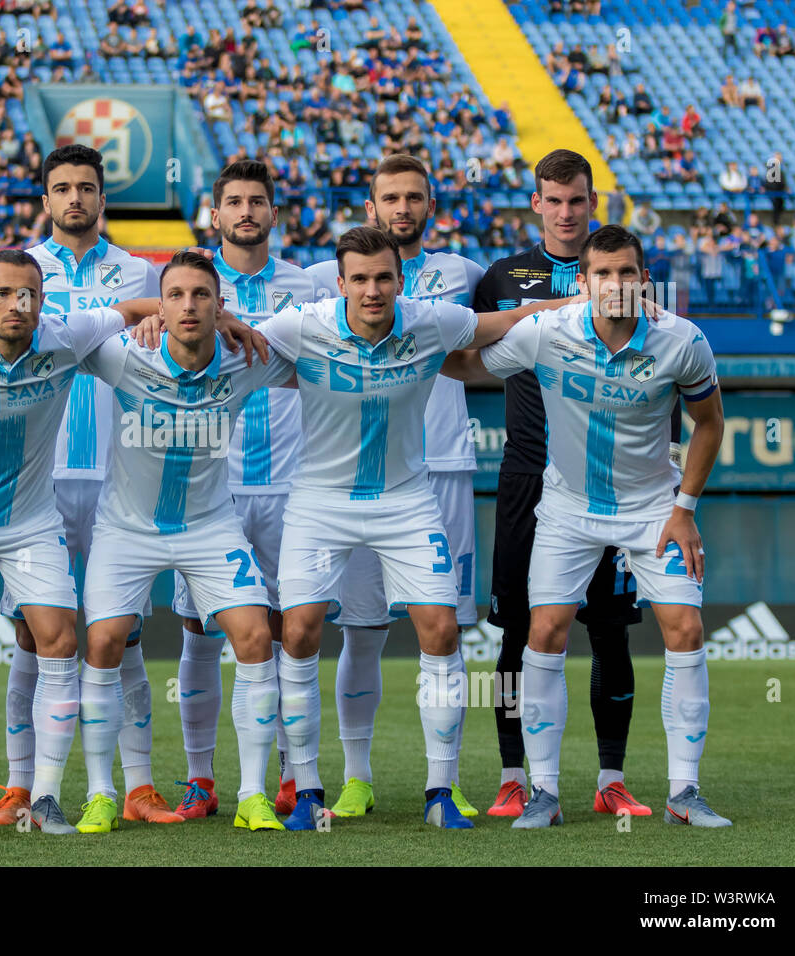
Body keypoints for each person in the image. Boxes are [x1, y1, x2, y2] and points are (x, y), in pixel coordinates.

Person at [0, 252, 257, 835]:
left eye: (27, 294)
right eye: (0, 294)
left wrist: (197, 313)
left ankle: (49, 796)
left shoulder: (64, 336)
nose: (15, 305)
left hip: (29, 521)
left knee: (60, 638)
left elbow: (129, 308)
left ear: (44, 301)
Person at [256, 227, 552, 830]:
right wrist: (162, 316)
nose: (372, 290)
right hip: (319, 501)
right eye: (359, 279)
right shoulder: (302, 324)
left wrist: (584, 301)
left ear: (400, 280)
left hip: (406, 500)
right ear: (339, 283)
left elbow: (510, 320)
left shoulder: (429, 321)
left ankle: (440, 790)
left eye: (383, 278)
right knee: (301, 630)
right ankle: (309, 789)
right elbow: (229, 335)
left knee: (442, 629)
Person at [449, 225, 730, 828]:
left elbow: (710, 423)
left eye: (627, 273)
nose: (616, 285)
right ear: (584, 282)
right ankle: (544, 794)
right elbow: (467, 360)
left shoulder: (682, 341)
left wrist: (685, 508)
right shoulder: (548, 332)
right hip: (567, 508)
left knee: (684, 627)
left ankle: (685, 791)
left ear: (643, 280)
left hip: (654, 507)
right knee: (544, 631)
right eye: (603, 273)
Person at [471, 150, 674, 819]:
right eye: (553, 201)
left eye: (577, 201)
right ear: (536, 203)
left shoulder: (629, 279)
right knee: (518, 629)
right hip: (530, 477)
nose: (565, 212)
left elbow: (666, 374)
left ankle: (610, 777)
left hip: (614, 484)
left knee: (610, 628)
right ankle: (513, 776)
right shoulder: (502, 276)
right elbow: (474, 353)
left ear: (593, 203)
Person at [75, 252, 297, 834]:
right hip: (126, 530)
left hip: (209, 528)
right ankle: (105, 791)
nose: (188, 305)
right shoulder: (124, 354)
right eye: (174, 295)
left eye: (202, 295)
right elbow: (59, 330)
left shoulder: (247, 357)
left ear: (219, 305)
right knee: (103, 643)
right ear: (160, 303)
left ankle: (251, 793)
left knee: (253, 636)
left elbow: (323, 361)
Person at [0, 145, 166, 829]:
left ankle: (139, 786)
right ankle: (18, 786)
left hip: (124, 476)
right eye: (62, 188)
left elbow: (172, 329)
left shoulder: (140, 271)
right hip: (39, 481)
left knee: (125, 634)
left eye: (86, 188)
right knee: (36, 638)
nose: (75, 200)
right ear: (46, 197)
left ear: (102, 198)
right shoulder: (23, 272)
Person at [305, 155, 485, 820]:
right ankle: (356, 776)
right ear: (371, 205)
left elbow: (492, 345)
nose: (402, 207)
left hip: (445, 469)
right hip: (358, 480)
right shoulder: (326, 279)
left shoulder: (463, 273)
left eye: (414, 197)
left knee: (447, 630)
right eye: (390, 197)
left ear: (431, 205)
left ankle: (448, 781)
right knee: (361, 630)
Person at [167, 161, 320, 820]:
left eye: (257, 201)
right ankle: (201, 778)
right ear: (216, 213)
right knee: (199, 631)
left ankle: (290, 775)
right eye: (234, 202)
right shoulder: (191, 286)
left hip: (291, 484)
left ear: (272, 212)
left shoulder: (307, 285)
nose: (246, 212)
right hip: (210, 487)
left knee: (287, 632)